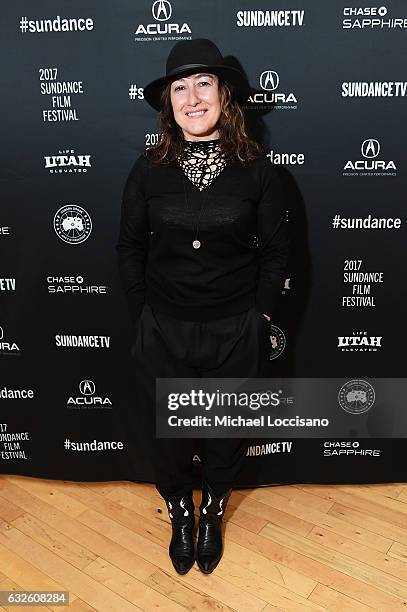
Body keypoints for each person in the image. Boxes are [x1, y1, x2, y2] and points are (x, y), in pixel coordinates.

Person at [116, 38, 289, 575]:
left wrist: (258, 315)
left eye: (203, 84)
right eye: (179, 88)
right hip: (163, 327)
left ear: (224, 97)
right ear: (169, 103)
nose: (192, 98)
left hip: (233, 327)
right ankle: (178, 515)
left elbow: (279, 251)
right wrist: (145, 312)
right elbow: (129, 247)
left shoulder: (257, 170)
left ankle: (211, 510)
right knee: (164, 437)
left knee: (224, 433)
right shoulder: (147, 169)